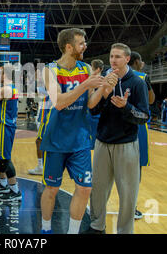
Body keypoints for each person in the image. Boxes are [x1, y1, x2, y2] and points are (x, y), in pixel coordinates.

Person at [38, 28, 113, 234]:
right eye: (81, 43)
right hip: (56, 139)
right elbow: (59, 103)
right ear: (69, 47)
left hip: (80, 139)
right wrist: (86, 84)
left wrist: (102, 88)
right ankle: (46, 229)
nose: (85, 46)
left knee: (85, 188)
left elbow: (90, 104)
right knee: (52, 189)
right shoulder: (50, 70)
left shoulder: (86, 68)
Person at [86, 43, 149, 234]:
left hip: (127, 144)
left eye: (118, 57)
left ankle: (125, 230)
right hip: (102, 142)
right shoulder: (105, 79)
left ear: (127, 59)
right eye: (112, 56)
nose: (113, 60)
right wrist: (103, 93)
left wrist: (126, 107)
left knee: (128, 193)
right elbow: (93, 110)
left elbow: (145, 116)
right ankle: (97, 226)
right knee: (97, 190)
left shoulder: (137, 82)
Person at [0, 64, 21, 201]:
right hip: (3, 125)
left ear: (4, 75)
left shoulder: (6, 89)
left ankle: (15, 190)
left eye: (0, 73)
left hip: (4, 126)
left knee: (4, 158)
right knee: (0, 156)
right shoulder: (10, 88)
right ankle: (3, 183)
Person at [128, 51, 155, 220]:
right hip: (137, 125)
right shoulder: (143, 76)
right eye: (141, 60)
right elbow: (151, 100)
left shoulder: (113, 74)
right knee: (135, 170)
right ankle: (131, 207)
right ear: (136, 61)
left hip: (116, 125)